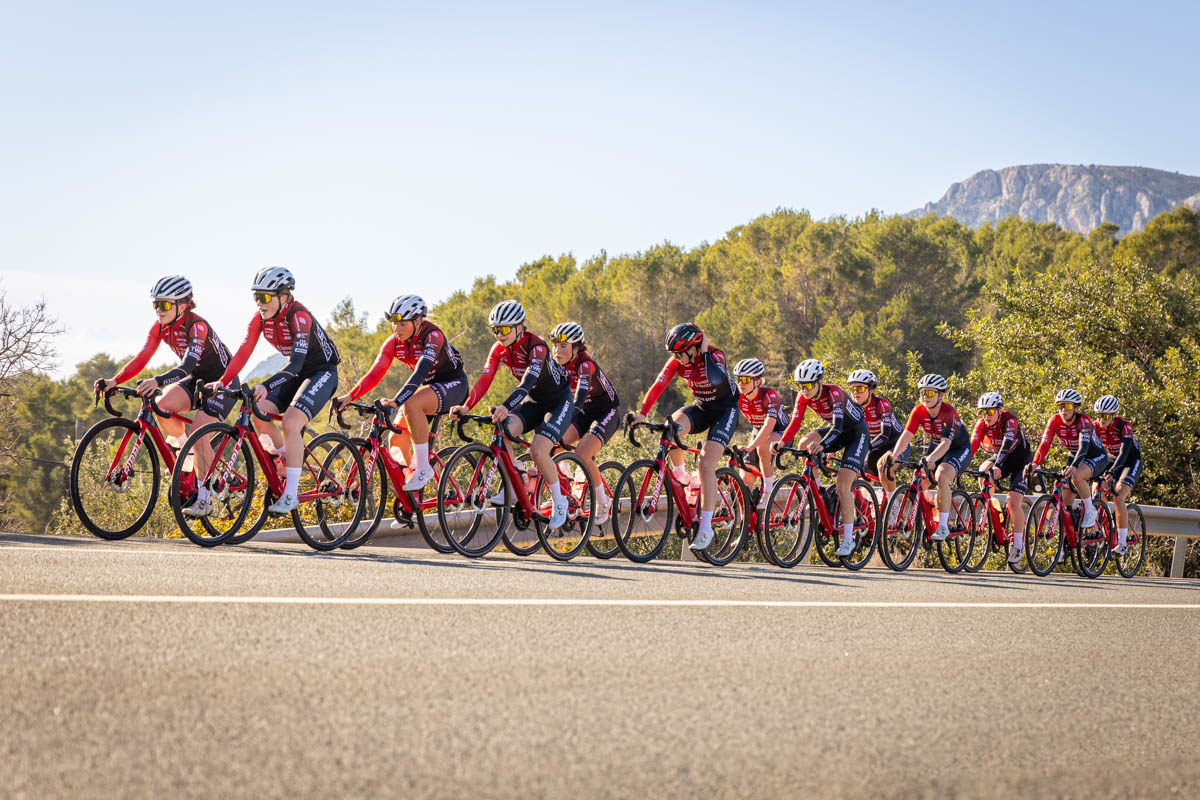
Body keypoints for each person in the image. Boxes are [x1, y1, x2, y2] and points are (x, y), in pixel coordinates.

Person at [95, 276, 240, 517]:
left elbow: (187, 365)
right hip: (196, 379)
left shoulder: (197, 326)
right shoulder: (160, 327)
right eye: (155, 305)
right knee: (161, 405)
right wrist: (114, 380)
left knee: (199, 430)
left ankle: (204, 499)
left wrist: (158, 381)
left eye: (163, 305)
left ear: (182, 305)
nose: (158, 311)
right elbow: (142, 358)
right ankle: (186, 452)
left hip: (221, 381)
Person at [209, 267, 341, 514]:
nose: (260, 302)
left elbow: (296, 364)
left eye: (266, 297)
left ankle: (291, 494)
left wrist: (266, 385)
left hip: (321, 371)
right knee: (258, 411)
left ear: (284, 296)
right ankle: (285, 457)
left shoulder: (299, 317)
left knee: (291, 422)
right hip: (297, 372)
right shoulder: (259, 319)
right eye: (256, 296)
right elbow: (242, 354)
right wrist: (222, 381)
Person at [449, 300, 573, 529]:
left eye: (505, 329)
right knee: (503, 431)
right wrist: (466, 407)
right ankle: (518, 481)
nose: (499, 334)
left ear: (519, 327)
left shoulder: (537, 347)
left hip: (558, 402)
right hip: (534, 402)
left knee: (538, 450)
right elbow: (485, 379)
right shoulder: (498, 349)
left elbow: (527, 382)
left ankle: (560, 501)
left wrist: (505, 405)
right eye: (495, 330)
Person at [333, 295, 468, 491]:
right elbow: (375, 373)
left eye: (403, 324)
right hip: (426, 389)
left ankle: (423, 468)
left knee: (410, 403)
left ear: (418, 321)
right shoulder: (394, 342)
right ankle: (410, 494)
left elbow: (419, 373)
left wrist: (396, 401)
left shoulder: (433, 336)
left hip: (453, 384)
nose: (397, 329)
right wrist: (350, 396)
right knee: (395, 439)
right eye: (394, 324)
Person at [628, 322, 740, 551]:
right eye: (674, 354)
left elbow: (717, 380)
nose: (677, 358)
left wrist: (706, 352)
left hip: (725, 411)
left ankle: (706, 527)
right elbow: (658, 384)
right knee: (670, 428)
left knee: (706, 462)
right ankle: (683, 477)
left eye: (681, 353)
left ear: (695, 347)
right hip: (701, 407)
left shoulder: (715, 356)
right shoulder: (678, 361)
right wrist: (642, 412)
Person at [773, 359, 870, 557]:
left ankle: (849, 539)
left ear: (820, 381)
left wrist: (823, 446)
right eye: (801, 385)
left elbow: (837, 428)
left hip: (856, 433)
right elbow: (794, 423)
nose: (805, 389)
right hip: (838, 431)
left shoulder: (834, 393)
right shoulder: (803, 397)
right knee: (802, 444)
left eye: (808, 385)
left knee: (843, 484)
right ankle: (818, 493)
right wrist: (781, 443)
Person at [882, 374, 972, 542]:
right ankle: (930, 514)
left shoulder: (949, 412)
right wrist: (894, 455)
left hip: (957, 448)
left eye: (930, 393)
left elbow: (946, 444)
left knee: (941, 476)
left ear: (941, 395)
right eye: (922, 392)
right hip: (937, 445)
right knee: (920, 480)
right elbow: (906, 436)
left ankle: (943, 525)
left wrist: (930, 458)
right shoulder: (918, 410)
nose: (925, 396)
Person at [548, 322, 620, 525]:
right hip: (582, 413)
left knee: (582, 453)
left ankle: (603, 502)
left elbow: (580, 395)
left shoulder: (585, 365)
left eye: (563, 346)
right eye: (555, 346)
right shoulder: (555, 366)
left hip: (606, 412)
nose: (557, 351)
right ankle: (564, 491)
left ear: (576, 348)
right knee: (552, 443)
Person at [1026, 388, 1109, 530]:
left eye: (1068, 406)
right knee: (1064, 501)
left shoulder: (1084, 420)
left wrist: (1075, 466)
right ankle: (1068, 542)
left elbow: (1083, 447)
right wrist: (1034, 464)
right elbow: (1044, 444)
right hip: (1074, 456)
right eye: (1060, 406)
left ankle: (1090, 510)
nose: (1063, 410)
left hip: (1095, 456)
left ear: (1076, 408)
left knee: (1076, 476)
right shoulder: (1054, 421)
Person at [969, 392, 1033, 563]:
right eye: (983, 412)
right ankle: (991, 508)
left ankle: (1018, 546)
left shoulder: (1010, 422)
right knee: (983, 470)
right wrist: (960, 465)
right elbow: (972, 445)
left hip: (1021, 461)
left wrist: (997, 466)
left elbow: (1006, 445)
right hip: (1002, 458)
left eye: (990, 412)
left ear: (999, 410)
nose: (986, 416)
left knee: (1013, 501)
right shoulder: (982, 424)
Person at [732, 357, 788, 507]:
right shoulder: (739, 397)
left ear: (757, 381)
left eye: (745, 379)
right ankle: (748, 522)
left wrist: (751, 447)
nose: (741, 383)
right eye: (738, 379)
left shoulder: (770, 396)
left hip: (781, 431)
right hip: (758, 431)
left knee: (763, 447)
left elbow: (769, 427)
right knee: (745, 477)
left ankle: (767, 494)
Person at [1091, 395, 1142, 555]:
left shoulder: (1124, 426)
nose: (1102, 419)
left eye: (1105, 416)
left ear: (1114, 415)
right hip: (1111, 459)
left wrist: (1112, 471)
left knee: (1118, 496)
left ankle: (1122, 543)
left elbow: (1124, 452)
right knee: (1096, 492)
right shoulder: (1095, 427)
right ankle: (1108, 526)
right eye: (1099, 415)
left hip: (1130, 461)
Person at [846, 368, 904, 506]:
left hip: (896, 444)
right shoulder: (853, 408)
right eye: (852, 388)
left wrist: (867, 447)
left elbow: (885, 435)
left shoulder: (881, 404)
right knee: (859, 476)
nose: (855, 392)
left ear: (870, 390)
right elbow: (846, 433)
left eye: (859, 388)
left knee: (883, 466)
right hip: (876, 447)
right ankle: (866, 516)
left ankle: (893, 507)